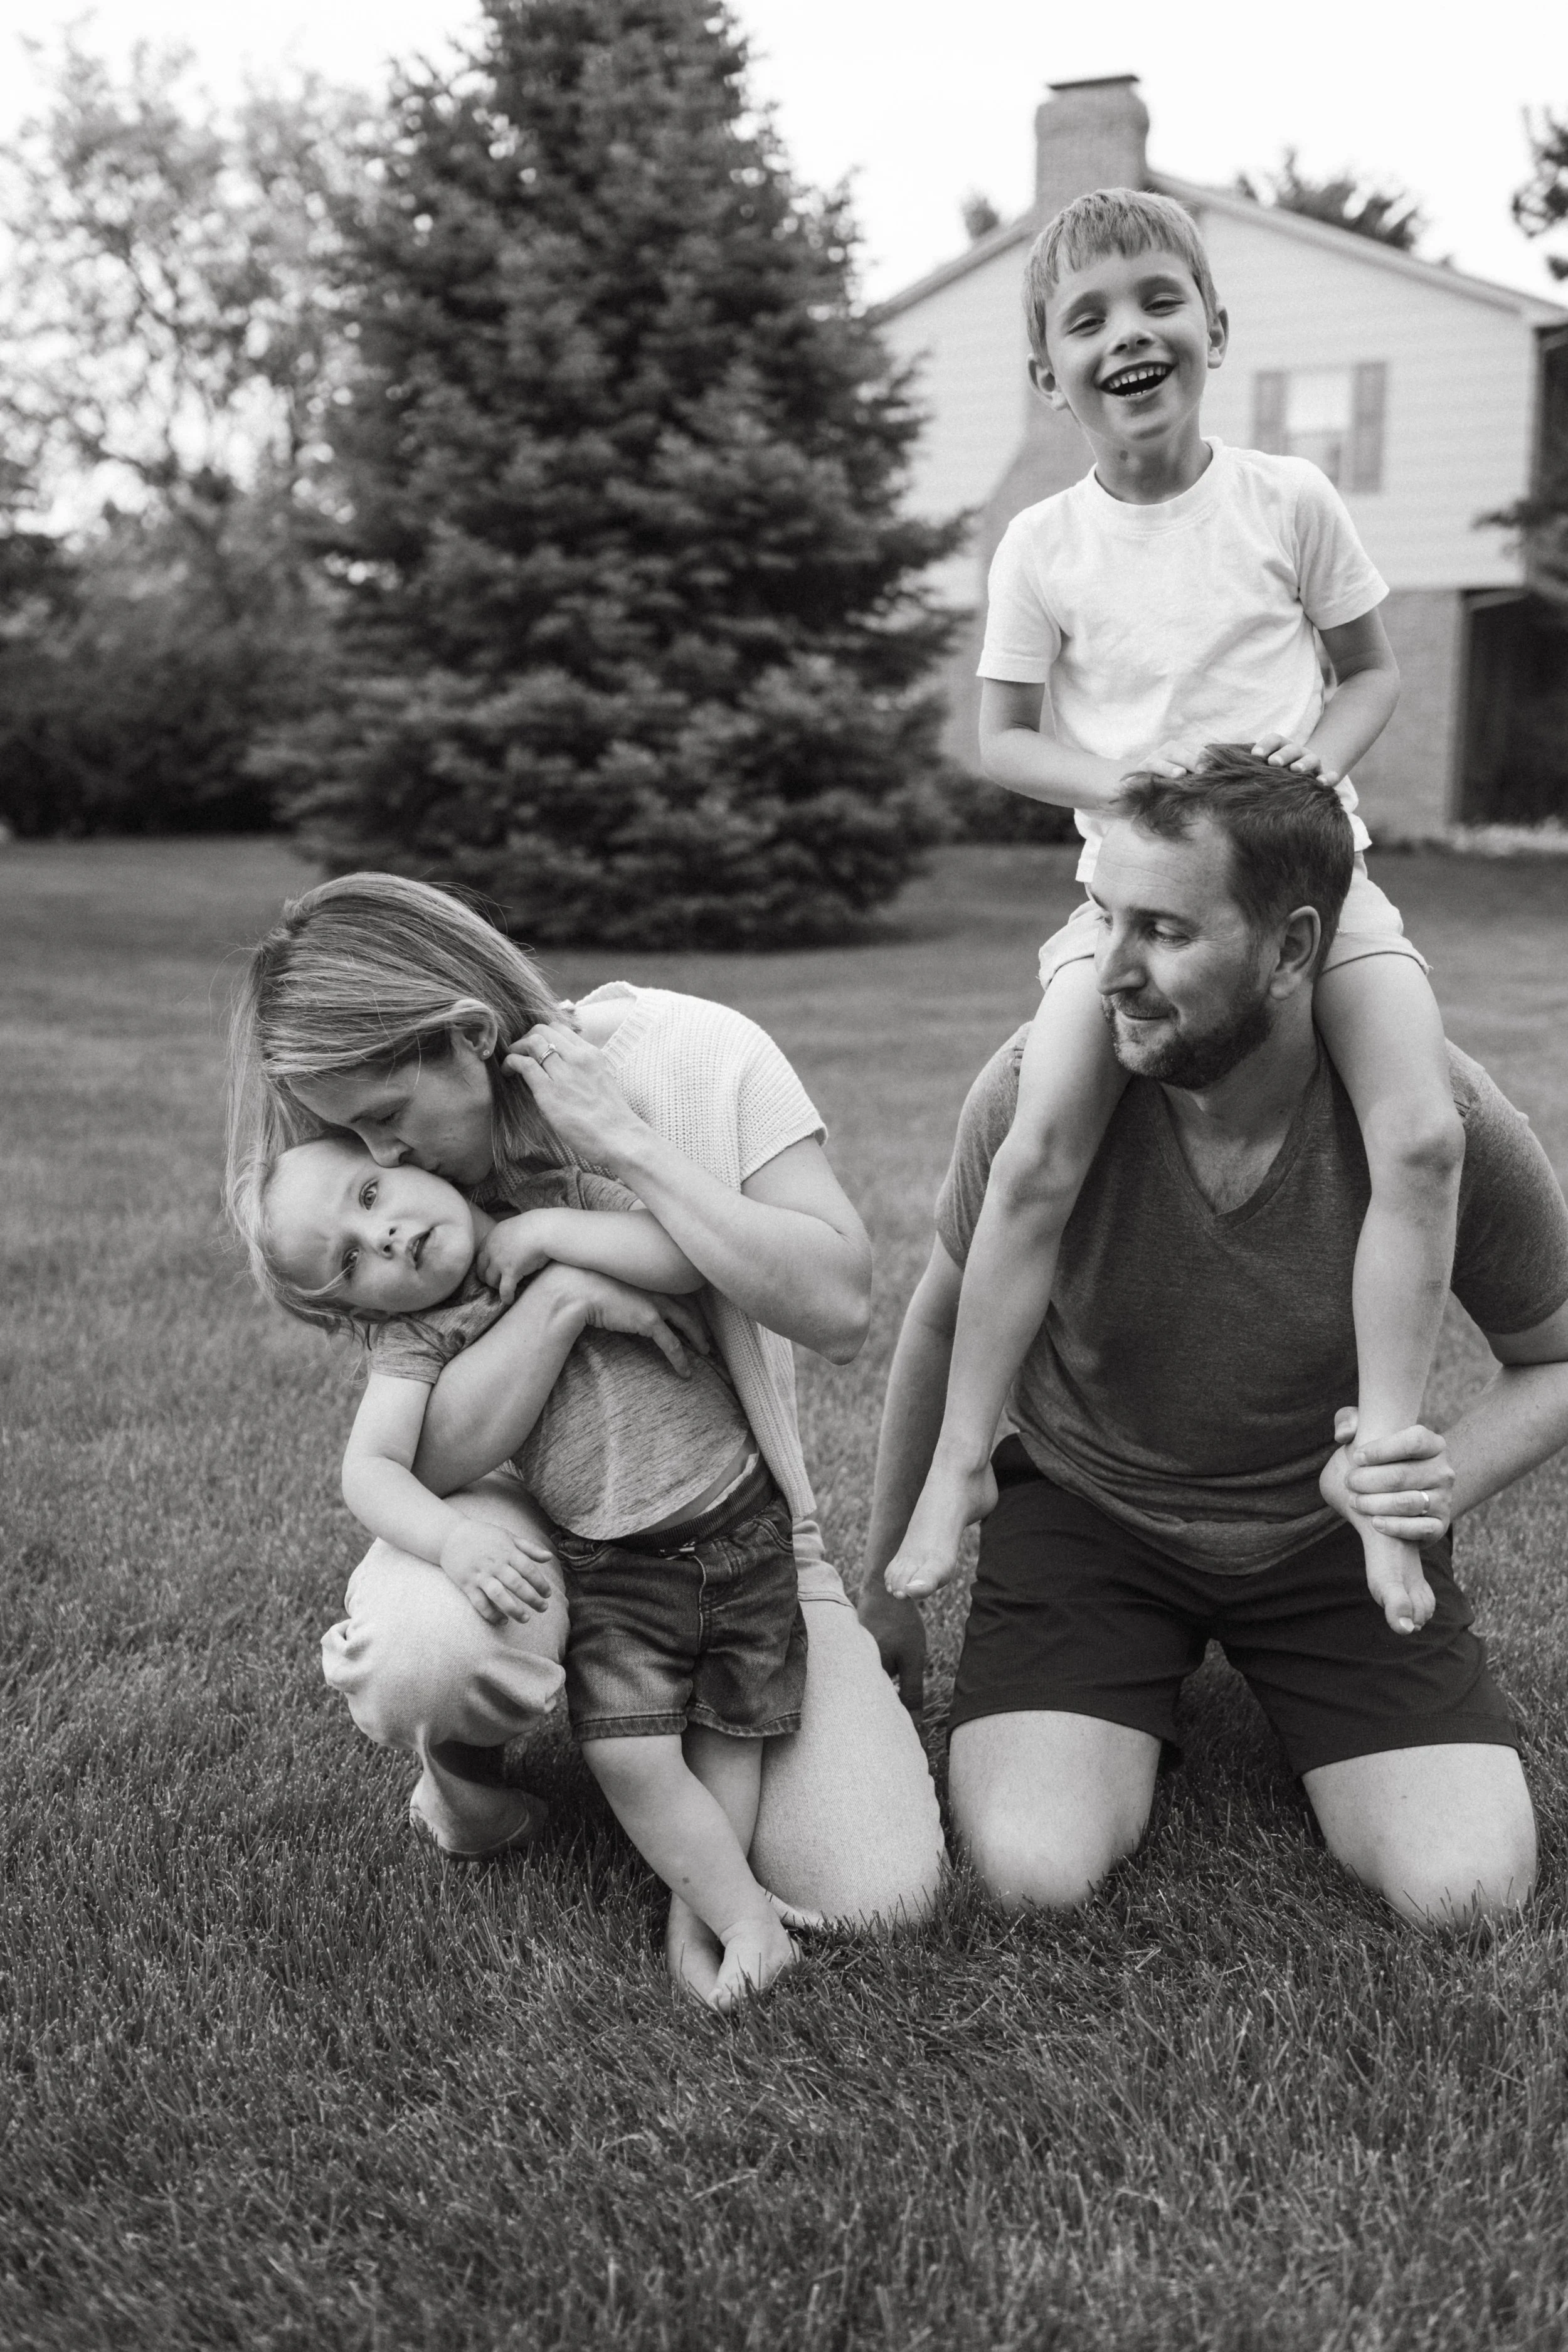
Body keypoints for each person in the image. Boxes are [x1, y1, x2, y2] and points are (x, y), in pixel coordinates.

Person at [887, 189, 1462, 1643]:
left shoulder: (1287, 502)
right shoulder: (1043, 547)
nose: (1125, 333)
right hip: (1131, 907)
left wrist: (1297, 785)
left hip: (1306, 889)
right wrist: (1125, 783)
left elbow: (1371, 675)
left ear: (1213, 324)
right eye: (1083, 319)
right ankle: (963, 1463)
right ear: (1045, 372)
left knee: (1421, 1133)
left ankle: (1377, 1472)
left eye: (1154, 300)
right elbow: (1000, 737)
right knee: (1033, 1156)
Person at [859, 760, 1568, 1928]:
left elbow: (1552, 1357)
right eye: (1105, 919)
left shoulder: (1442, 1121)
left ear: (1292, 951)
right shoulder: (1036, 1092)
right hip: (1091, 1509)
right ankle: (1118, 1685)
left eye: (1166, 930)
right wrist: (890, 1587)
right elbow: (941, 1314)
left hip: (1323, 1531)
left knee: (1470, 1892)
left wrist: (1419, 1494)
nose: (1111, 970)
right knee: (1034, 1869)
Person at [226, 872, 944, 2001]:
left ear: (466, 1039)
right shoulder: (425, 1246)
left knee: (881, 1891)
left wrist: (628, 1147)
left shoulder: (691, 1057)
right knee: (431, 1645)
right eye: (354, 1139)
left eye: (386, 1125)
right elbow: (417, 1459)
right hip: (531, 1531)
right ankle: (465, 1773)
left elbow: (842, 1304)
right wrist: (559, 1304)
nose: (389, 1168)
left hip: (735, 1524)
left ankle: (705, 1863)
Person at [251, 1132, 817, 2010]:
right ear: (359, 1315)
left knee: (731, 1730)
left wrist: (554, 1232)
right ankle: (748, 1925)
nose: (389, 1238)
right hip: (620, 1567)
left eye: (369, 1196)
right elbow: (368, 1468)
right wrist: (450, 1540)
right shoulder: (421, 1335)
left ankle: (710, 1912)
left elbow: (688, 1256)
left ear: (410, 1158)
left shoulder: (558, 1196)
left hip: (741, 1524)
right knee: (630, 1754)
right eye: (353, 1261)